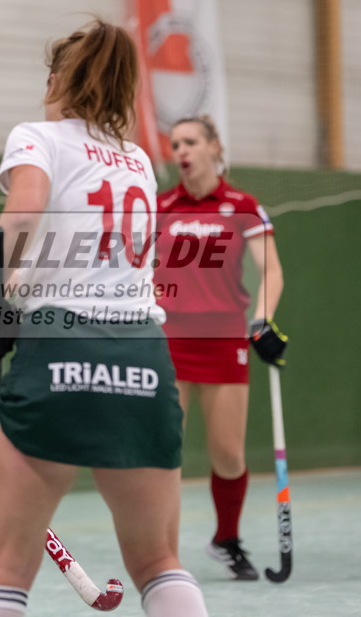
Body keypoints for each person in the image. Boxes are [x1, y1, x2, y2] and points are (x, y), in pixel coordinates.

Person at [0, 19, 208, 616]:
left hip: (61, 347)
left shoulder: (39, 138)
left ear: (56, 81)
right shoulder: (140, 163)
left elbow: (22, 216)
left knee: (6, 567)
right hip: (143, 358)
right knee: (157, 562)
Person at [153, 114, 287, 580]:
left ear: (214, 146)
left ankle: (226, 539)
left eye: (191, 141)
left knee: (228, 454)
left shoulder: (242, 205)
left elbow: (270, 271)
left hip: (224, 338)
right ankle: (160, 553)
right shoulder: (160, 206)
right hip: (168, 338)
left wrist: (261, 320)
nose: (181, 151)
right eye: (175, 143)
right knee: (165, 449)